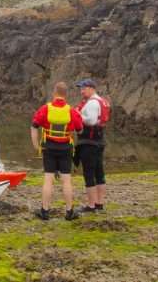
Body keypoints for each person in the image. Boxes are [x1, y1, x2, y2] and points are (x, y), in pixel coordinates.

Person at [30, 81, 83, 220]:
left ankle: (45, 211)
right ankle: (69, 211)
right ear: (66, 94)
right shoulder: (71, 111)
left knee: (48, 179)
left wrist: (36, 146)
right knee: (67, 180)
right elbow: (80, 129)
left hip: (49, 148)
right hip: (66, 148)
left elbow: (34, 126)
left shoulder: (45, 109)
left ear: (54, 93)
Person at [74, 78, 108, 213]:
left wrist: (78, 115)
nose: (81, 91)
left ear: (91, 88)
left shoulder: (93, 103)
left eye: (83, 88)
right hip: (99, 141)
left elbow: (91, 120)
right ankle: (100, 203)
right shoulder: (102, 101)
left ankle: (91, 205)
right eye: (80, 88)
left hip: (89, 142)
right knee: (99, 172)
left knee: (89, 173)